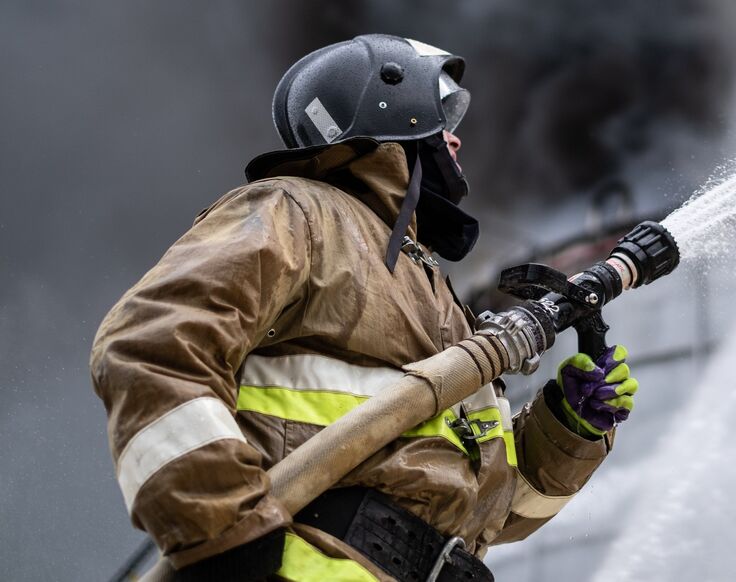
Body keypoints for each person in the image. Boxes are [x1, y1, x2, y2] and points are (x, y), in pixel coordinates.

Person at [91, 34, 639, 582]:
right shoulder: (297, 211)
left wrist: (568, 429)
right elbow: (152, 345)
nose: (456, 139)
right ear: (392, 106)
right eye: (442, 116)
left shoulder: (437, 296)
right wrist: (219, 525)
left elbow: (490, 514)